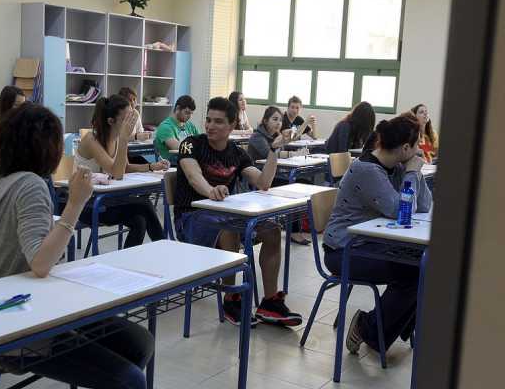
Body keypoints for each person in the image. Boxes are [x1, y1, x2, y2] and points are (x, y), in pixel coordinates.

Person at [0, 102, 154, 389]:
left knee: (139, 343)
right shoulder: (30, 184)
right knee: (131, 379)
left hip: (20, 302)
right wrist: (76, 203)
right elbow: (41, 263)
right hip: (20, 318)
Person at [174, 97, 303, 327]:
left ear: (232, 125)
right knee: (228, 230)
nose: (210, 126)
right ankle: (231, 298)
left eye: (218, 122)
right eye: (208, 120)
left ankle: (269, 302)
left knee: (272, 231)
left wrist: (274, 150)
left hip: (224, 214)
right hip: (191, 219)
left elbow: (263, 182)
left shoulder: (236, 152)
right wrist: (211, 190)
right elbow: (194, 177)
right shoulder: (191, 144)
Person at [323, 116, 432, 355]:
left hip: (372, 244)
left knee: (425, 266)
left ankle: (383, 329)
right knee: (413, 272)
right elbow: (400, 212)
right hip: (343, 250)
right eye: (416, 145)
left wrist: (416, 172)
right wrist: (411, 174)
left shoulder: (397, 166)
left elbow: (424, 205)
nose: (419, 150)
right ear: (406, 147)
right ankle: (367, 328)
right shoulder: (367, 169)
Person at [75, 95, 167, 248]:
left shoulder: (117, 138)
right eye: (126, 119)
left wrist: (151, 166)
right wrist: (124, 138)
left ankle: (128, 260)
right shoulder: (91, 139)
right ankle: (165, 248)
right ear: (111, 121)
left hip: (107, 199)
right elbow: (118, 173)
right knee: (144, 204)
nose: (130, 123)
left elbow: (124, 167)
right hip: (87, 205)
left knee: (139, 221)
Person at [248, 106, 311, 246]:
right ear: (265, 120)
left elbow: (280, 155)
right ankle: (293, 231)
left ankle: (295, 228)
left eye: (280, 120)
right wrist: (292, 154)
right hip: (259, 179)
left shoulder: (276, 136)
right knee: (296, 187)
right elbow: (268, 153)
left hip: (276, 175)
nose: (278, 123)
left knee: (303, 184)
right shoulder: (257, 136)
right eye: (274, 119)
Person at [154, 95, 199, 160]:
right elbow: (178, 147)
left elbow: (201, 143)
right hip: (172, 163)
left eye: (191, 113)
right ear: (178, 108)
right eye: (187, 113)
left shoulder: (190, 125)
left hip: (189, 160)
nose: (189, 116)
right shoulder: (165, 127)